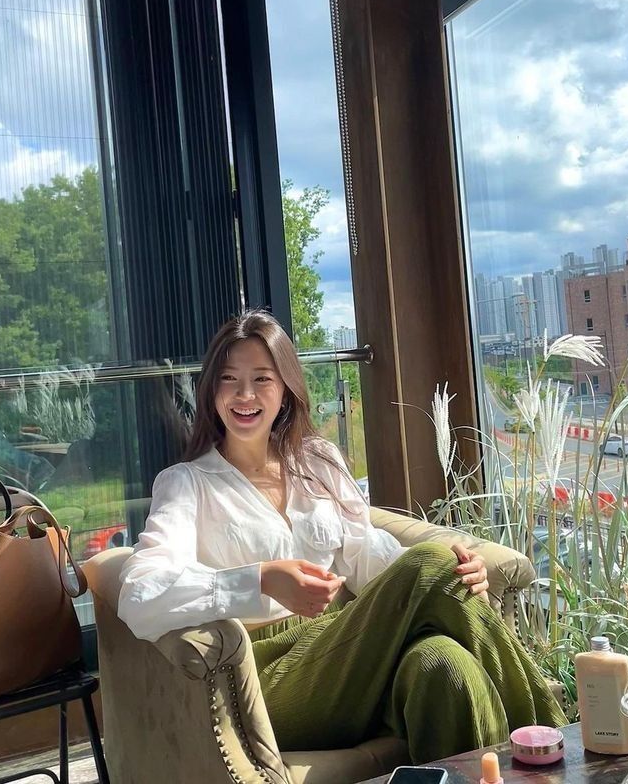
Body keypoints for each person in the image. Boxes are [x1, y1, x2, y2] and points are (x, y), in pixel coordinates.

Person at [118, 310, 565, 763]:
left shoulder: (319, 461)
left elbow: (367, 554)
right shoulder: (187, 483)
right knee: (431, 565)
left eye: (262, 379)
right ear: (211, 389)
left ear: (286, 388)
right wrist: (260, 579)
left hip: (349, 645)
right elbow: (140, 593)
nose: (244, 394)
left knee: (444, 664)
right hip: (265, 673)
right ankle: (552, 745)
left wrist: (452, 576)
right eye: (228, 378)